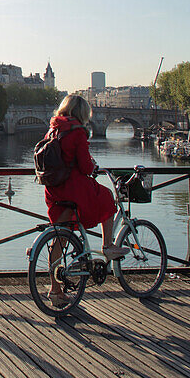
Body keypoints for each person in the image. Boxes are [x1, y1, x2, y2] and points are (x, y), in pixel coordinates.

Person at [42, 94, 127, 305]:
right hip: (73, 189)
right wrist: (92, 165)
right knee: (107, 198)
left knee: (59, 239)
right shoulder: (77, 131)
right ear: (82, 113)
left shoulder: (53, 128)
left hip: (53, 189)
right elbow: (86, 167)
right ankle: (107, 245)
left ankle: (55, 290)